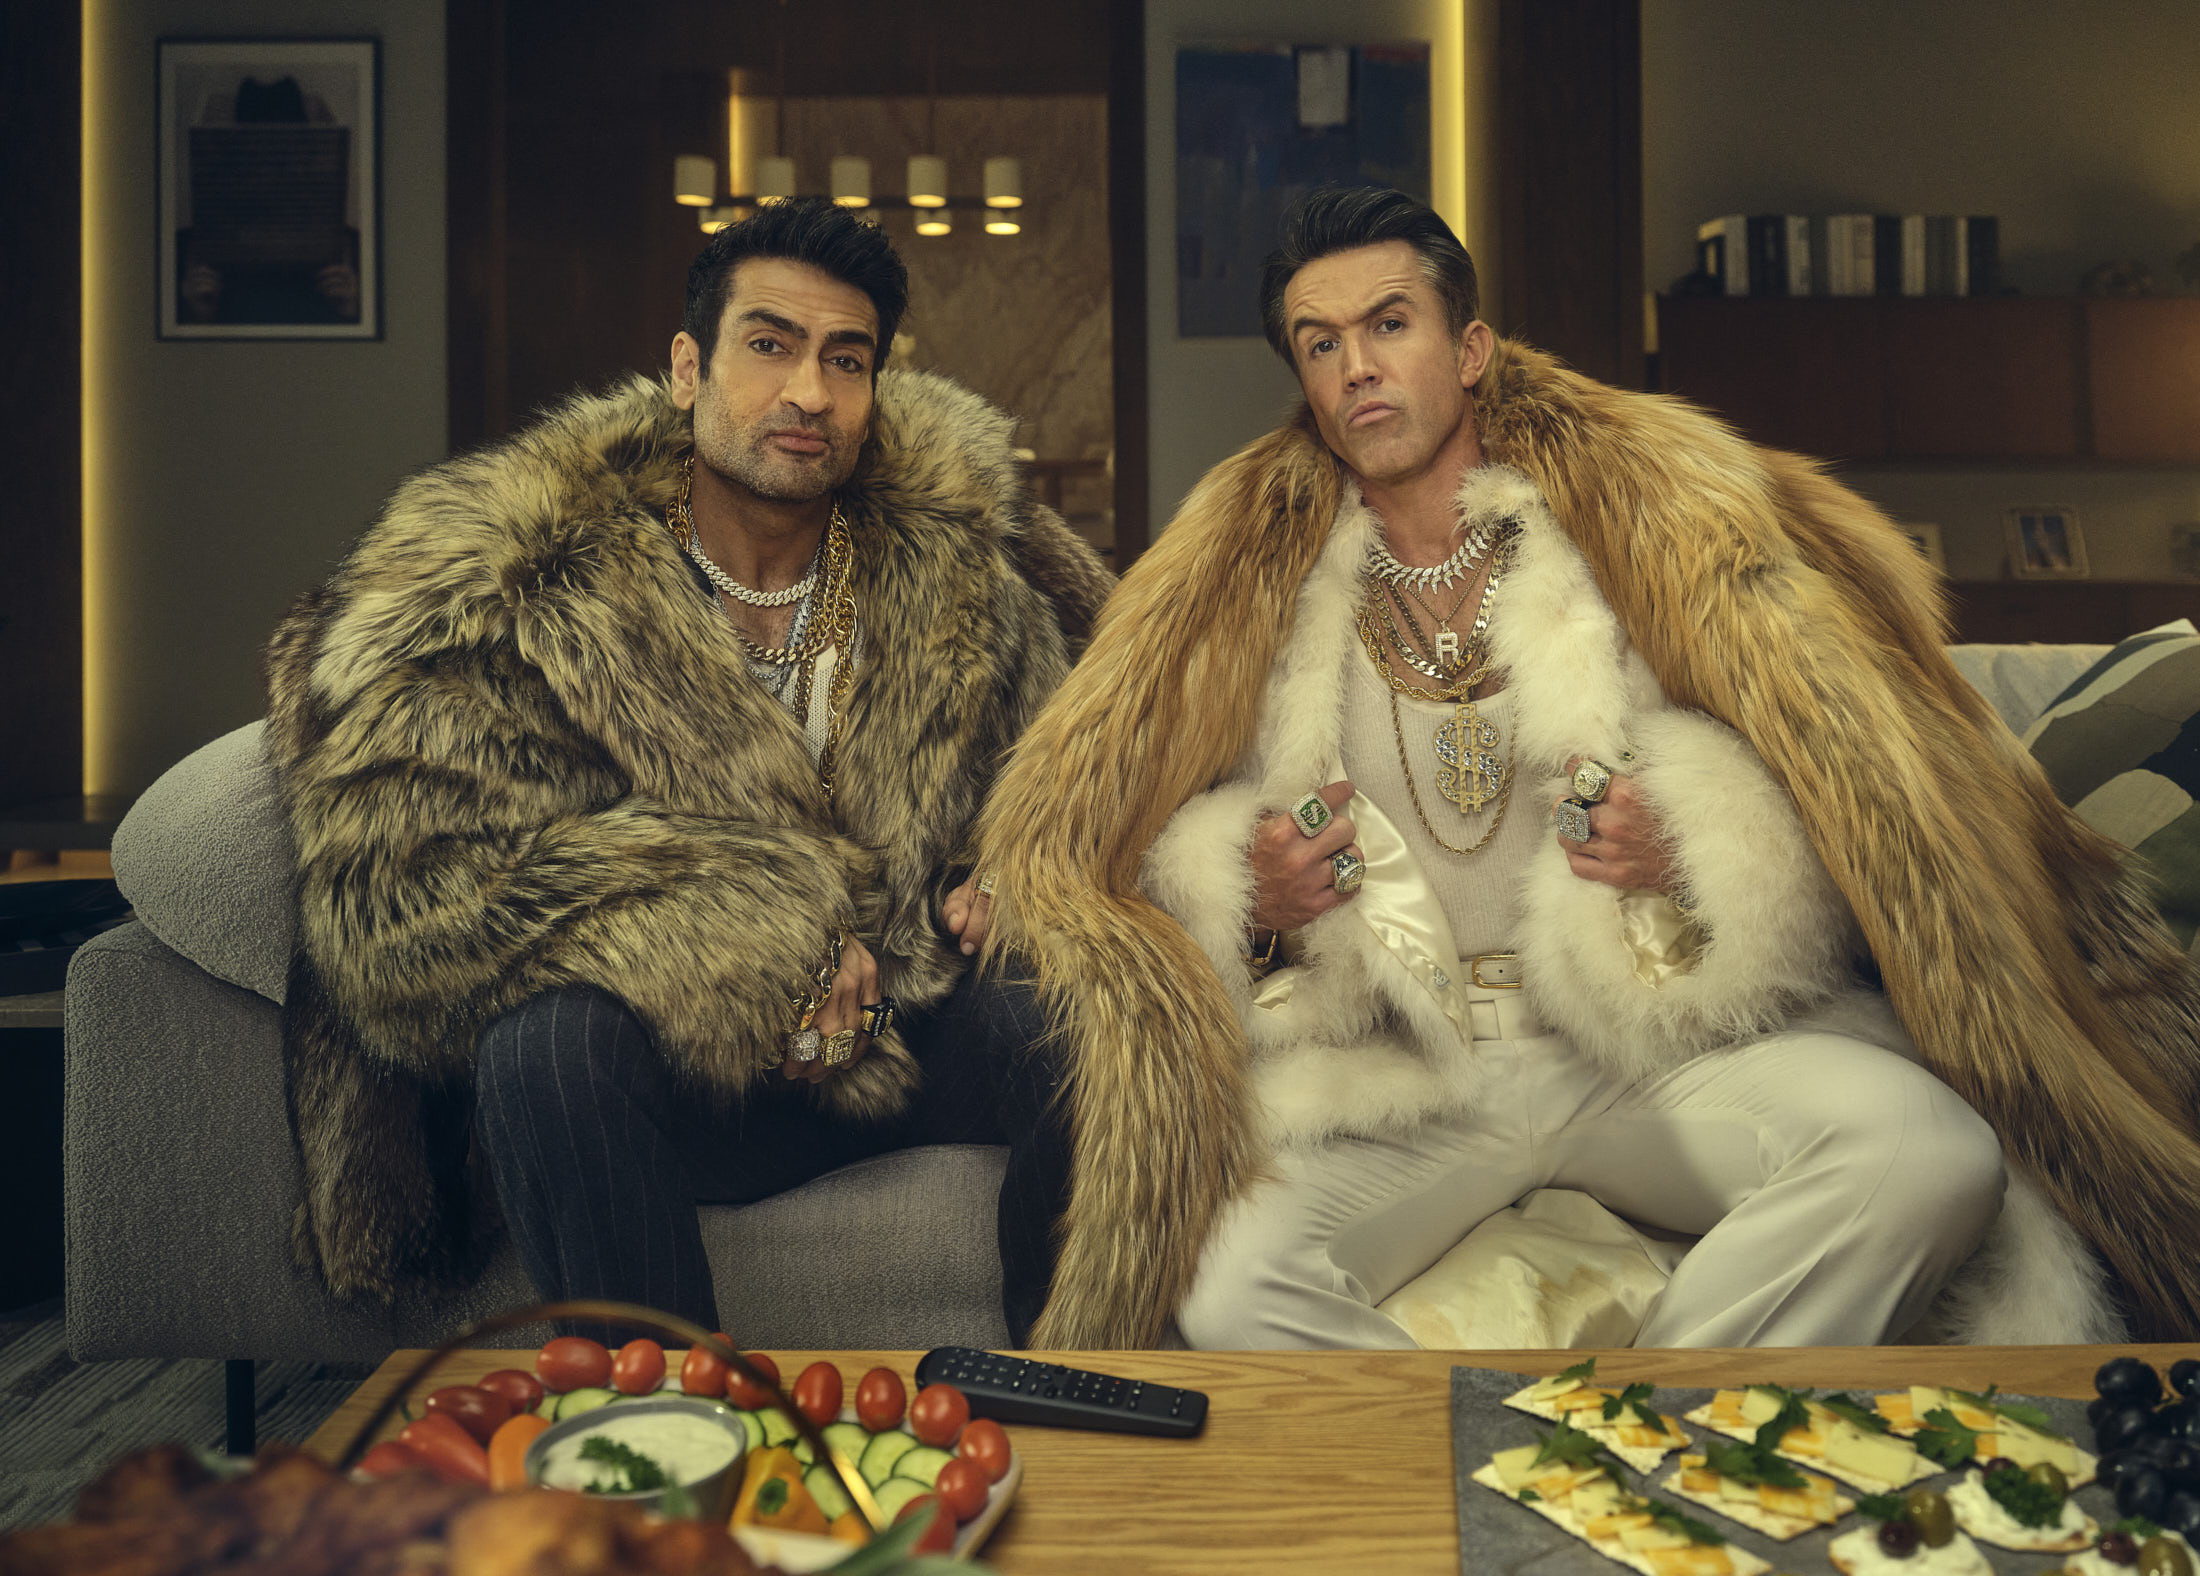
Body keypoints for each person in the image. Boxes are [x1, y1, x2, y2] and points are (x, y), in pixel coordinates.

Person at [973, 186, 2200, 1350]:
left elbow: (1830, 785)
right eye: (1320, 342)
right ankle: (1454, 1460)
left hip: (1636, 1051)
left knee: (1928, 1155)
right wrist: (1254, 899)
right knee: (1225, 1275)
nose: (1356, 366)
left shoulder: (1628, 536)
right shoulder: (1255, 598)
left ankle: (1648, 1437)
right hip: (1404, 1073)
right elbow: (1149, 838)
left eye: (1388, 324)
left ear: (1469, 350)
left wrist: (1694, 848)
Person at [264, 198, 1110, 1342]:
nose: (808, 391)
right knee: (543, 1046)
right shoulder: (533, 585)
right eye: (769, 344)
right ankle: (667, 1420)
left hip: (912, 1031)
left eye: (845, 359)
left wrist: (1019, 865)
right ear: (686, 369)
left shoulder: (955, 579)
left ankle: (1066, 1383)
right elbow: (413, 899)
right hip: (689, 1074)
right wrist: (753, 944)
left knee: (1072, 1005)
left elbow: (1069, 778)